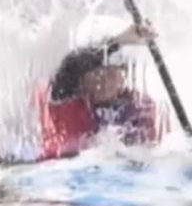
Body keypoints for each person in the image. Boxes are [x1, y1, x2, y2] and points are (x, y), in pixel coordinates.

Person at [32, 15, 165, 161]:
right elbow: (69, 69)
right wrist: (117, 43)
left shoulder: (140, 107)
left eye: (111, 70)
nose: (102, 78)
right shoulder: (66, 97)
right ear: (82, 76)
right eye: (95, 71)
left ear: (124, 74)